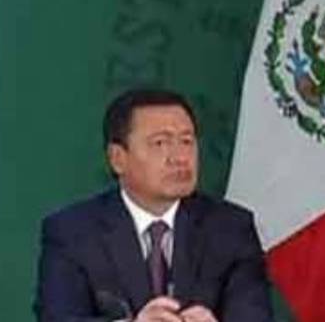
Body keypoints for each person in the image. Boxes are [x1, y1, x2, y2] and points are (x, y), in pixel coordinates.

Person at [34, 89, 273, 322]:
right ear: (118, 158)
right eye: (160, 143)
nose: (180, 157)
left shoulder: (231, 228)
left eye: (187, 141)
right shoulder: (72, 233)